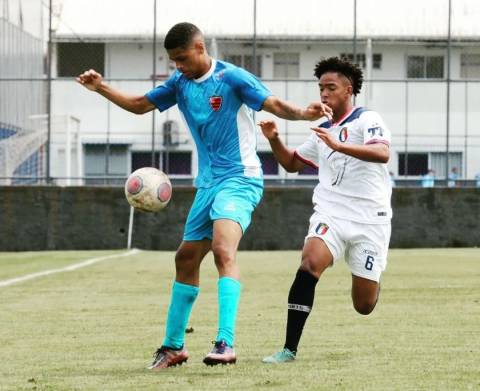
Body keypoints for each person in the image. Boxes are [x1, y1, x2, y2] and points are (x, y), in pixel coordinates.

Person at [77, 22, 332, 369]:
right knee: (184, 259)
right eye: (172, 61)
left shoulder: (232, 78)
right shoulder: (179, 84)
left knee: (222, 249)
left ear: (200, 48)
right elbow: (140, 105)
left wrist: (303, 113)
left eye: (181, 58)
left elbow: (272, 102)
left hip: (240, 180)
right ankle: (173, 347)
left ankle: (225, 342)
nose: (177, 66)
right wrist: (101, 88)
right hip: (208, 184)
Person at [259, 57, 392, 364]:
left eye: (331, 87)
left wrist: (339, 145)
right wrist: (275, 139)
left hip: (370, 221)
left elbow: (382, 152)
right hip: (330, 214)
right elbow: (292, 163)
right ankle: (289, 349)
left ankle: (372, 280)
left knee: (364, 305)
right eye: (321, 88)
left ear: (349, 89)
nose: (324, 94)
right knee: (308, 265)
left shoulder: (367, 119)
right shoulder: (323, 130)